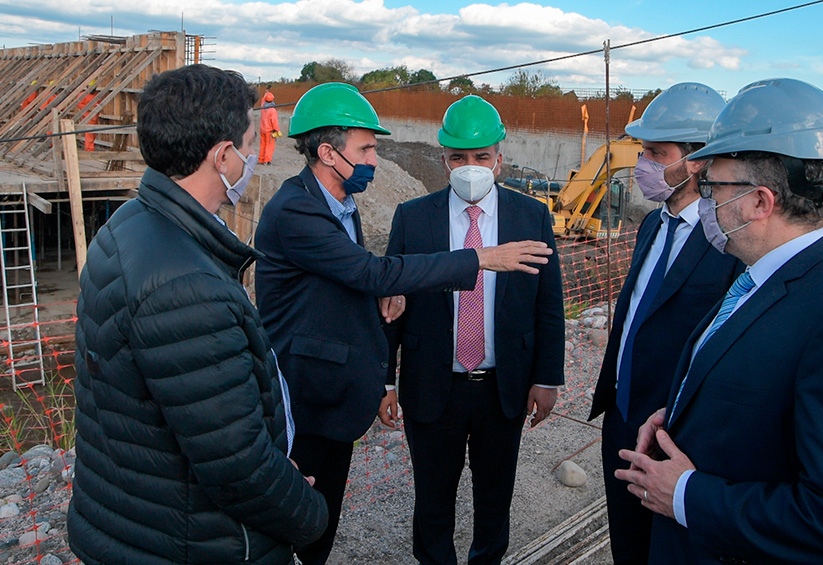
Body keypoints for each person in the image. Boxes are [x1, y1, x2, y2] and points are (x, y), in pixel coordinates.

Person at [616, 78, 823, 563]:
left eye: (713, 185)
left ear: (760, 201)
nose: (705, 199)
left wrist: (689, 496)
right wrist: (686, 416)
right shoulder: (761, 280)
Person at [254, 83, 553, 565]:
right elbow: (372, 273)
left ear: (499, 157)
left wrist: (383, 290)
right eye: (368, 148)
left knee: (319, 519)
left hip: (488, 386)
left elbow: (357, 280)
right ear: (329, 152)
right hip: (309, 391)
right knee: (299, 522)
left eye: (482, 155)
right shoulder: (299, 209)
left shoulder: (341, 205)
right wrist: (478, 259)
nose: (376, 156)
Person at [68, 64, 327, 564]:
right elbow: (236, 467)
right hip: (190, 543)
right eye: (250, 145)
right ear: (223, 157)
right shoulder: (186, 287)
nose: (255, 156)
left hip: (135, 522)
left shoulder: (131, 222)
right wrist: (308, 514)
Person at [384, 95, 565, 565]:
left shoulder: (532, 217)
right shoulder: (413, 218)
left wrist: (548, 377)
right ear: (443, 158)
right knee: (432, 500)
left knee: (494, 497)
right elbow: (391, 307)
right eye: (459, 157)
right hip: (432, 385)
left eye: (481, 157)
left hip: (501, 388)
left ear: (499, 159)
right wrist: (385, 378)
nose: (470, 167)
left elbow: (549, 303)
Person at [586, 83, 743, 564]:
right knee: (628, 547)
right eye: (644, 151)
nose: (644, 164)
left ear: (696, 161)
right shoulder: (653, 224)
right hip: (624, 418)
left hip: (679, 437)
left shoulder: (730, 242)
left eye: (658, 153)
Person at [260, 91, 281, 165]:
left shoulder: (262, 106)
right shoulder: (272, 110)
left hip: (262, 129)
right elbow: (274, 122)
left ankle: (261, 159)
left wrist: (266, 92)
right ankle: (267, 160)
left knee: (262, 145)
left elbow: (263, 99)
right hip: (270, 131)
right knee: (269, 146)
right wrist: (277, 130)